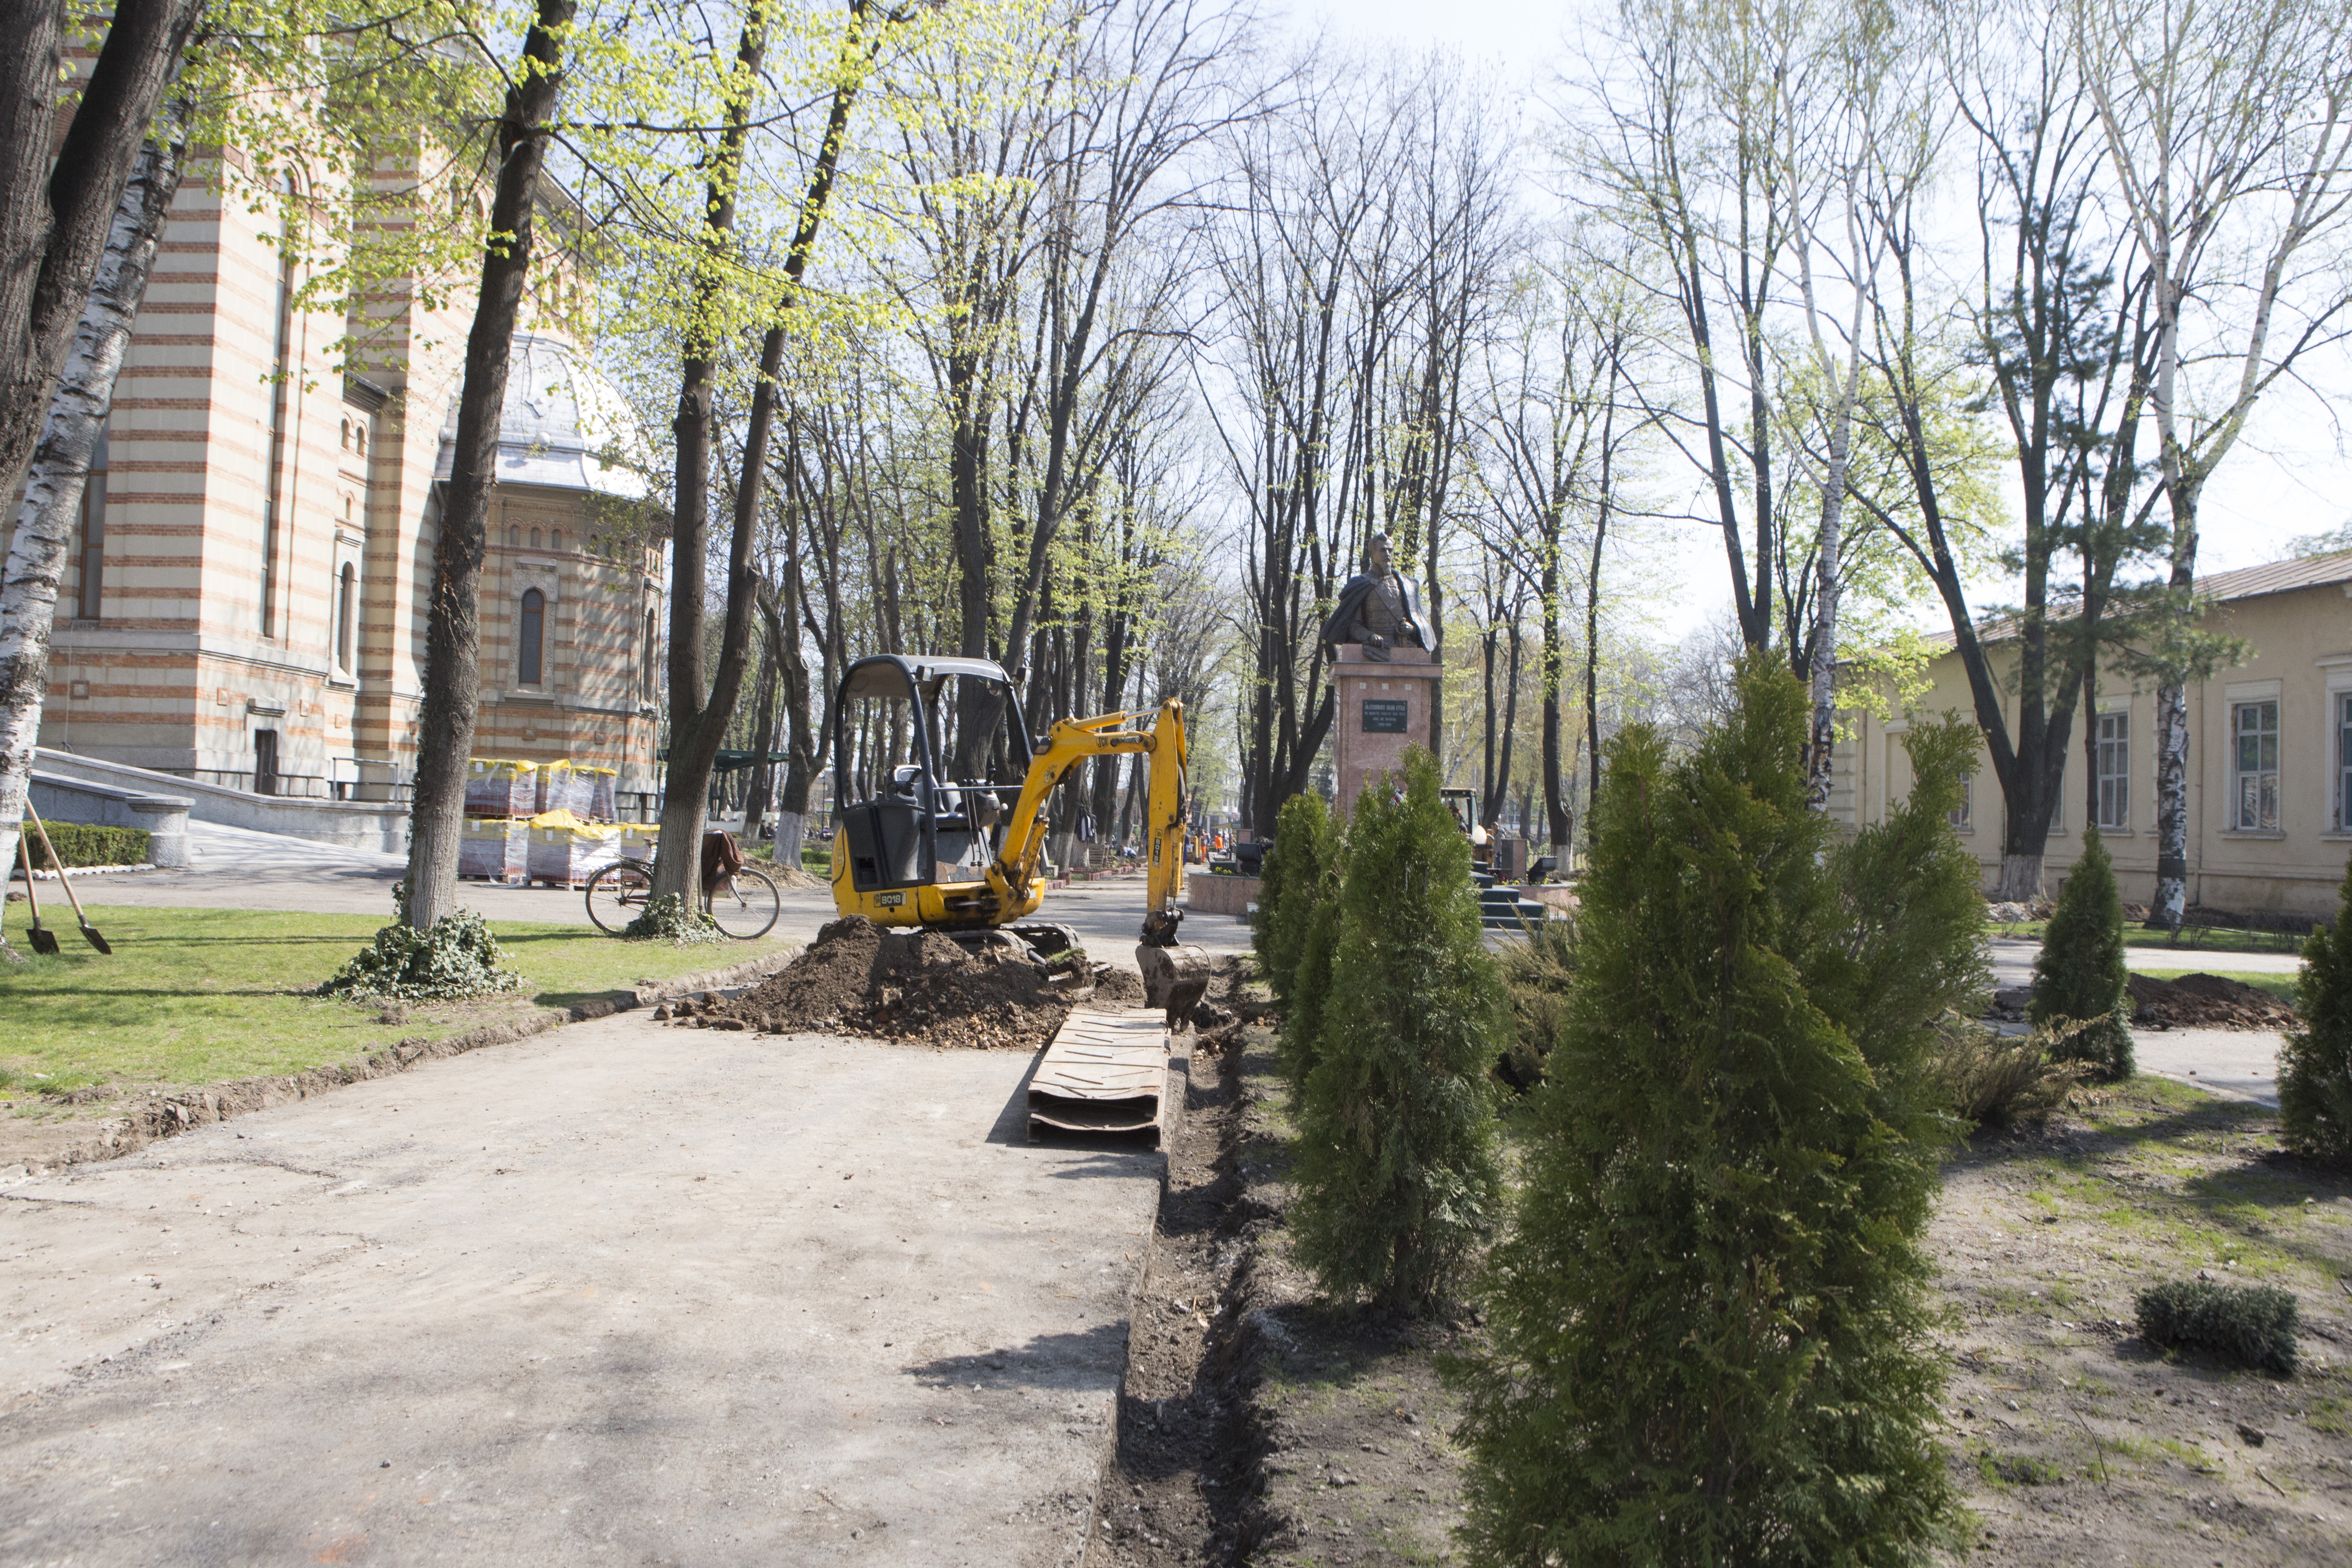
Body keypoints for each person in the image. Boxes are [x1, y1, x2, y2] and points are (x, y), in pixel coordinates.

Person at [1320, 532, 1428, 662]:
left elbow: (1421, 623)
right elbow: (1353, 626)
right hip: (1374, 649)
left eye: (1390, 550)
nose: (1387, 554)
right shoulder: (1360, 584)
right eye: (1383, 550)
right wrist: (1370, 636)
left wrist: (1413, 630)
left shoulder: (1408, 585)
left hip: (1404, 648)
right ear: (1373, 554)